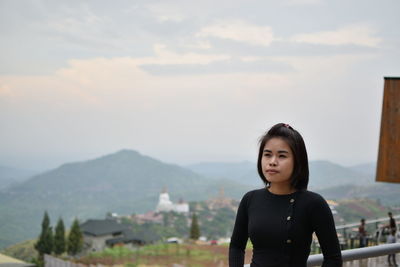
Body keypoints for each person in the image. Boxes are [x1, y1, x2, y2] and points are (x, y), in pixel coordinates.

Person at [229, 123, 342, 267]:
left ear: (297, 161)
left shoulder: (313, 203)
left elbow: (333, 258)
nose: (272, 162)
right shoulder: (250, 199)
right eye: (267, 154)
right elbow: (236, 247)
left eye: (282, 156)